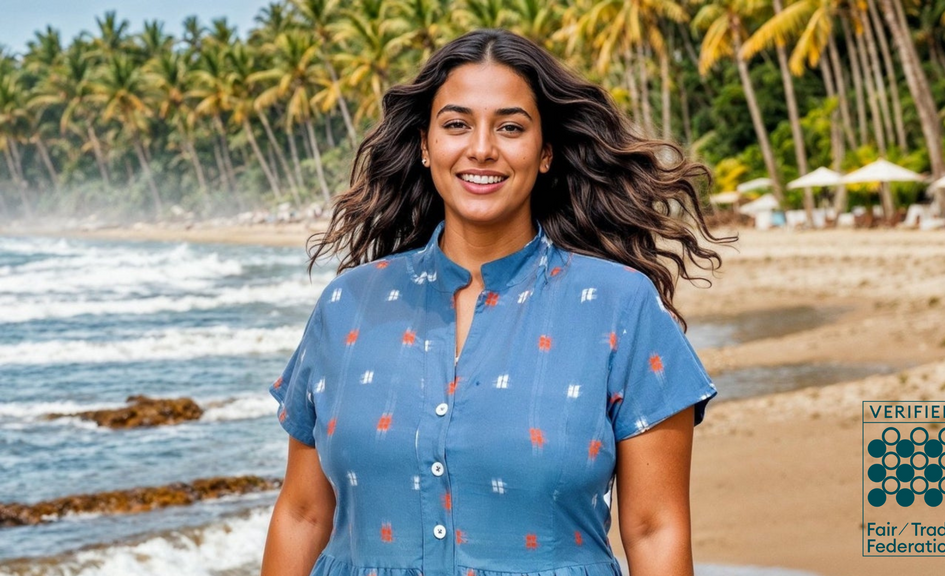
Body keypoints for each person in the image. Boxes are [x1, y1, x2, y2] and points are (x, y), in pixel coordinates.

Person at [263, 29, 732, 576]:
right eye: (457, 124)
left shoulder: (621, 307)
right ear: (424, 145)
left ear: (546, 151)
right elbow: (301, 515)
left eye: (510, 127)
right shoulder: (348, 304)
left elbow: (655, 529)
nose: (481, 148)